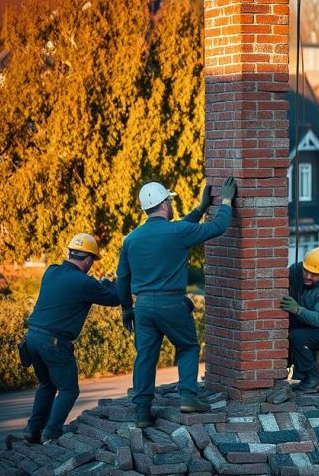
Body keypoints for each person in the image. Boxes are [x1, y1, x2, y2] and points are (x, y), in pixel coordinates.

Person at [117, 177, 235, 427]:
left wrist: (127, 308)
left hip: (143, 307)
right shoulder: (176, 232)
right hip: (171, 303)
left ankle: (141, 411)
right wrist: (226, 201)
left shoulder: (131, 240)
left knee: (146, 356)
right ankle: (189, 397)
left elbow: (122, 277)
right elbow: (218, 227)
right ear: (163, 204)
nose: (172, 204)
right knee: (188, 346)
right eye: (170, 201)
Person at [22, 233, 119, 443]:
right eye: (93, 260)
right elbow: (115, 299)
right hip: (53, 342)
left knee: (46, 385)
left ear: (70, 253)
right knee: (68, 389)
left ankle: (32, 431)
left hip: (31, 338)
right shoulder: (84, 282)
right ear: (88, 259)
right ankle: (52, 432)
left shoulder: (51, 271)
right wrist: (110, 284)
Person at [281, 246, 319, 394]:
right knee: (284, 330)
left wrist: (297, 309)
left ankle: (313, 380)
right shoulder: (296, 271)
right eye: (306, 271)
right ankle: (297, 376)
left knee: (298, 337)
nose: (308, 276)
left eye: (314, 274)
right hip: (304, 323)